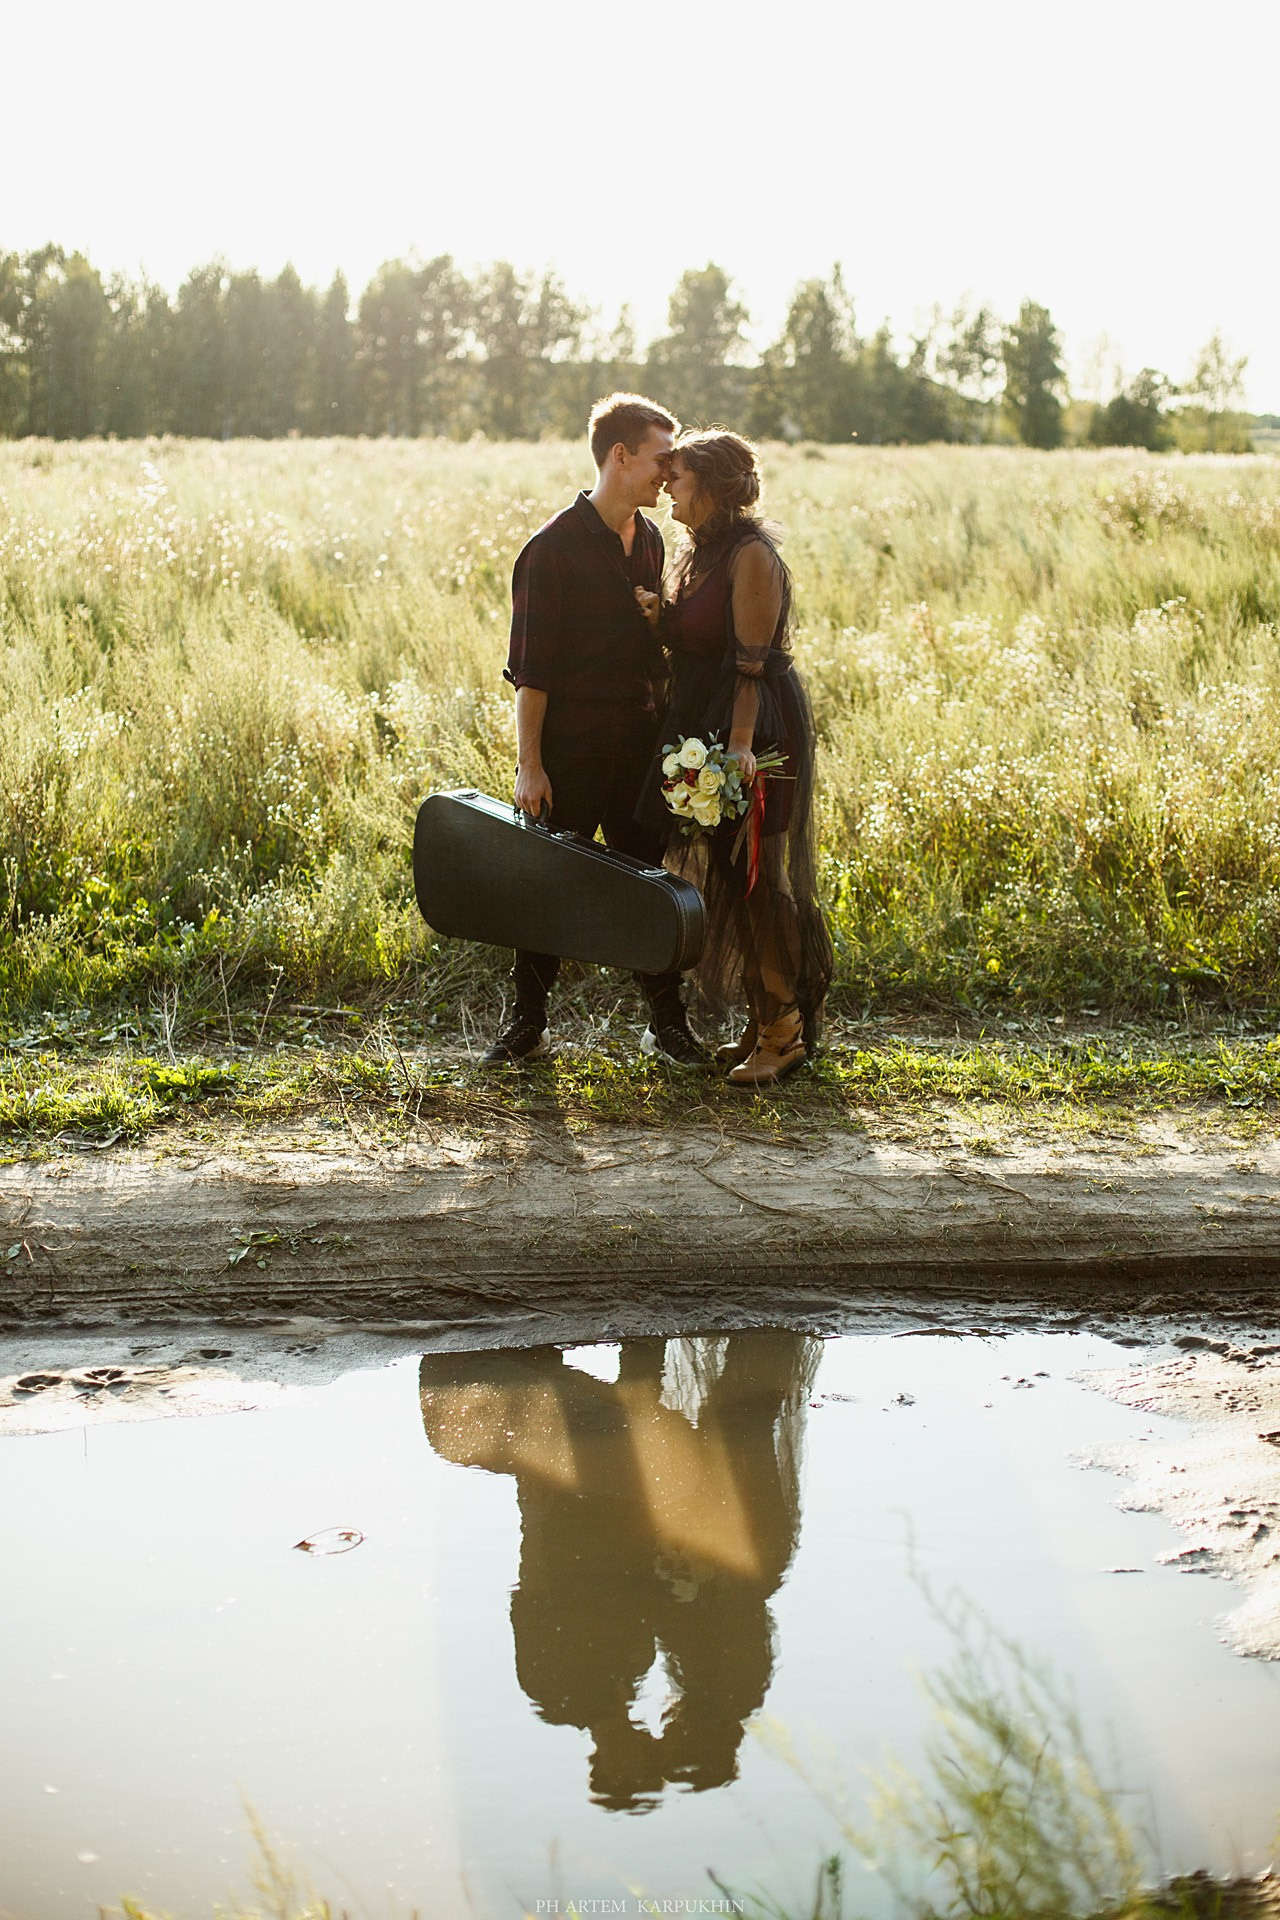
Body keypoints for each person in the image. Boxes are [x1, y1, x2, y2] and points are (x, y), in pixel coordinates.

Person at [481, 393, 705, 1069]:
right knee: (545, 887)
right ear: (620, 454)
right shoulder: (550, 551)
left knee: (648, 883)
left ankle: (669, 1027)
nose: (668, 473)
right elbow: (532, 671)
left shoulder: (653, 541)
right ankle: (527, 1024)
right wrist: (530, 765)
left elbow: (654, 652)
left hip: (638, 753)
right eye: (660, 458)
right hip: (570, 753)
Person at [636, 430, 833, 1087]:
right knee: (729, 868)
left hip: (757, 734)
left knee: (760, 878)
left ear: (714, 487)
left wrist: (742, 749)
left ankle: (785, 1032)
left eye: (679, 477)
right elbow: (699, 641)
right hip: (707, 730)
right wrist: (658, 618)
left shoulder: (751, 556)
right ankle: (762, 1018)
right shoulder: (697, 551)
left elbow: (751, 664)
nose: (667, 486)